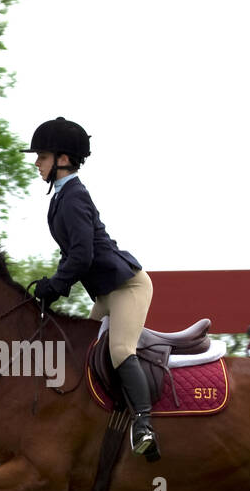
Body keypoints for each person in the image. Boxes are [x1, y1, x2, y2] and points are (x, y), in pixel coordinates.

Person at [23, 116, 157, 458]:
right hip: (105, 293)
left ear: (63, 160)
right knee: (85, 351)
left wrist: (56, 284)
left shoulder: (74, 197)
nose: (37, 162)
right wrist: (55, 283)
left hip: (128, 288)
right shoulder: (61, 198)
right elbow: (78, 255)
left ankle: (144, 425)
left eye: (42, 156)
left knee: (120, 351)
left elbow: (82, 255)